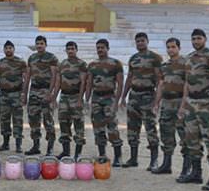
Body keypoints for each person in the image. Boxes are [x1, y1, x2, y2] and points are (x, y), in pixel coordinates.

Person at [177, 28, 209, 191]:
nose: (196, 41)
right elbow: (187, 84)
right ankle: (196, 173)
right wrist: (183, 105)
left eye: (199, 38)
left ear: (205, 39)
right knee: (191, 140)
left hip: (207, 103)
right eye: (193, 39)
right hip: (191, 103)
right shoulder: (188, 59)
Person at [120, 32, 162, 170]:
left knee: (150, 128)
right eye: (138, 41)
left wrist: (156, 100)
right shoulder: (133, 58)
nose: (140, 43)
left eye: (142, 41)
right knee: (132, 128)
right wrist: (123, 96)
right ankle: (133, 158)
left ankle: (154, 160)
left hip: (147, 95)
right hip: (134, 96)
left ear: (147, 41)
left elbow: (158, 79)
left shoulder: (155, 58)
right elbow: (130, 78)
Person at [85, 39, 124, 167]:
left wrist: (116, 102)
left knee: (112, 127)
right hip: (96, 99)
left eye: (102, 47)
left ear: (108, 48)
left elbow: (120, 84)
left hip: (109, 98)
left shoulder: (115, 64)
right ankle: (102, 155)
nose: (100, 50)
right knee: (98, 128)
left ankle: (118, 156)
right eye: (98, 48)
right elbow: (89, 83)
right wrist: (87, 99)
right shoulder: (92, 65)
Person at [152, 37, 188, 175]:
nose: (170, 50)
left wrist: (183, 106)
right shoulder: (164, 66)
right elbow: (161, 85)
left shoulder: (186, 64)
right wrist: (156, 103)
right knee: (166, 134)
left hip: (180, 101)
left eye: (173, 47)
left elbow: (187, 85)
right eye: (168, 47)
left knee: (184, 136)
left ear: (179, 48)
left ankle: (186, 168)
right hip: (166, 103)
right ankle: (166, 165)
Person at [23, 35, 59, 156]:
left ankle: (50, 148)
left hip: (45, 91)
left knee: (48, 119)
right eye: (37, 43)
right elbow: (28, 76)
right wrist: (25, 93)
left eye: (41, 43)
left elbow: (54, 76)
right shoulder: (32, 58)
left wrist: (50, 93)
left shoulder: (51, 58)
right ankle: (36, 146)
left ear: (45, 44)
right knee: (33, 119)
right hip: (34, 91)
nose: (39, 46)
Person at [0, 40, 28, 153]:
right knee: (4, 119)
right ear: (3, 50)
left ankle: (18, 145)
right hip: (4, 94)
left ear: (14, 49)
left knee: (17, 119)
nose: (8, 50)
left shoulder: (20, 62)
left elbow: (26, 79)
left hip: (16, 94)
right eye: (6, 48)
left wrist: (24, 94)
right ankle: (5, 143)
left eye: (10, 48)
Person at [56, 41, 88, 159]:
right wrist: (55, 97)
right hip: (64, 97)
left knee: (78, 124)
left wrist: (80, 99)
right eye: (68, 49)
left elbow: (83, 82)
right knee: (64, 123)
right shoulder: (62, 64)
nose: (70, 51)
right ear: (66, 50)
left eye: (72, 49)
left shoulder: (82, 64)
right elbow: (59, 82)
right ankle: (66, 151)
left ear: (76, 50)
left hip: (76, 97)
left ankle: (77, 154)